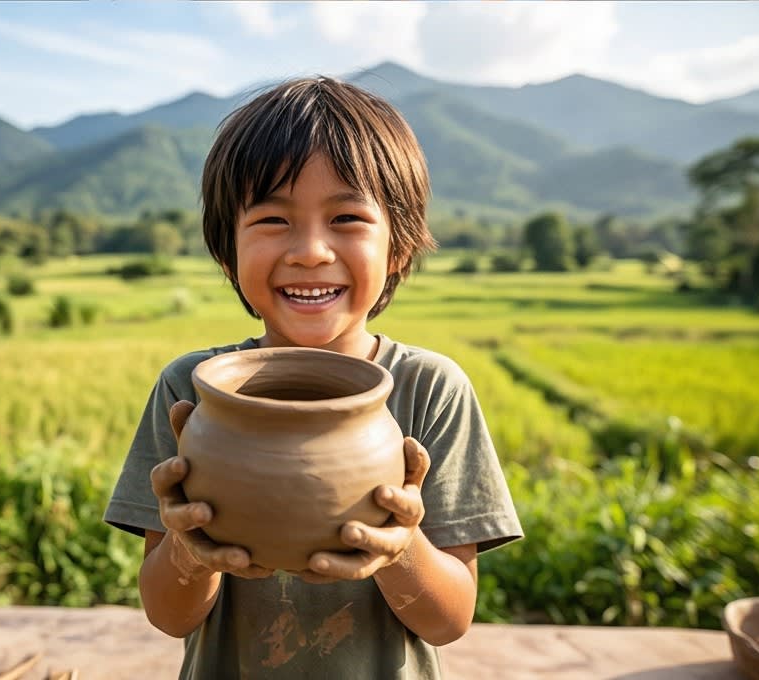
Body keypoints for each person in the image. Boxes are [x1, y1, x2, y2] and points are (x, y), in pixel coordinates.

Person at [104, 76, 523, 679]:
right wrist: (189, 555)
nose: (310, 251)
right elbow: (169, 615)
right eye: (272, 219)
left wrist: (400, 549)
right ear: (227, 252)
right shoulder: (190, 389)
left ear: (398, 249)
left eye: (347, 217)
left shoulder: (431, 388)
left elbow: (450, 619)